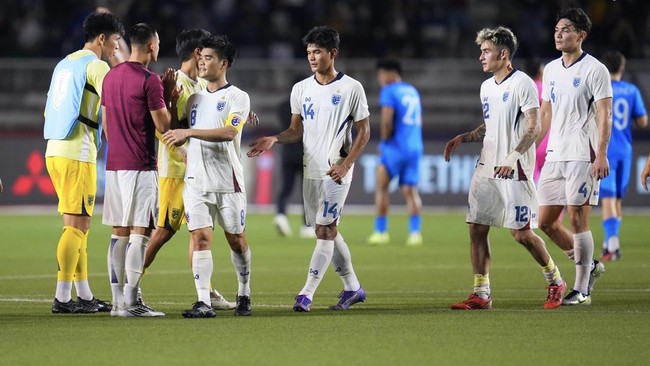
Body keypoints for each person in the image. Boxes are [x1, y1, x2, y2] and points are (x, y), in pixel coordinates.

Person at [248, 25, 370, 312]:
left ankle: (307, 293)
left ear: (333, 53)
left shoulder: (351, 88)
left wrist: (346, 163)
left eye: (318, 52)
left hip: (336, 170)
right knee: (324, 229)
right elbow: (295, 130)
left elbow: (364, 132)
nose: (312, 57)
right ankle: (353, 287)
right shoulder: (300, 89)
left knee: (326, 228)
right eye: (309, 53)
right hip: (310, 169)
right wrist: (274, 138)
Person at [443, 26, 566, 310]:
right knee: (476, 228)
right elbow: (493, 124)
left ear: (504, 53)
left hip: (515, 170)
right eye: (481, 51)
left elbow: (533, 127)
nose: (481, 57)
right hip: (486, 168)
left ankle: (555, 280)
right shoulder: (486, 87)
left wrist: (512, 157)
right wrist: (467, 137)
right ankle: (481, 293)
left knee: (521, 233)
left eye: (486, 51)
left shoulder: (522, 83)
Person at [141, 29, 235, 311]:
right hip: (176, 171)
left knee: (200, 232)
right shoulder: (173, 83)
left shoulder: (199, 86)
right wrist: (181, 151)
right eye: (205, 52)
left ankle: (205, 292)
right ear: (197, 53)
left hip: (198, 171)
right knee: (164, 231)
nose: (208, 57)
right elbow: (162, 129)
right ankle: (129, 283)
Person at [162, 34, 253, 318]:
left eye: (209, 58)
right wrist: (168, 101)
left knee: (236, 240)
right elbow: (176, 130)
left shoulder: (238, 97)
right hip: (196, 180)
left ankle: (244, 290)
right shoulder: (194, 98)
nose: (201, 62)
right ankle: (203, 301)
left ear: (224, 63)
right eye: (200, 58)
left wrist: (189, 132)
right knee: (200, 238)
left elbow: (229, 133)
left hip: (228, 182)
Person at [43, 10, 123, 314]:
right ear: (102, 38)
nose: (116, 47)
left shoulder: (65, 64)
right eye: (115, 41)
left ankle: (84, 294)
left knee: (77, 225)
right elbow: (115, 102)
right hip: (78, 153)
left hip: (55, 148)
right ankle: (63, 298)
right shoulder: (96, 65)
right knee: (78, 226)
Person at [536, 8, 612, 306]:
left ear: (581, 35)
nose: (558, 33)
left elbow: (605, 115)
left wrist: (601, 154)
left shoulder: (596, 70)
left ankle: (582, 289)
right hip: (555, 155)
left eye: (566, 29)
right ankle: (590, 265)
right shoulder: (551, 69)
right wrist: (529, 148)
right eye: (557, 28)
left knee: (578, 218)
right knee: (545, 222)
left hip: (583, 154)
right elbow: (545, 113)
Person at [102, 23, 176, 317]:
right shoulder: (150, 80)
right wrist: (168, 94)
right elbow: (164, 126)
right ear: (151, 46)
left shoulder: (110, 77)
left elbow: (106, 124)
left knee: (118, 232)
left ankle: (118, 301)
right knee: (140, 231)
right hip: (140, 165)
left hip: (114, 164)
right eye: (157, 44)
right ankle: (132, 302)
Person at [367, 59, 423, 246]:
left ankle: (381, 232)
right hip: (414, 147)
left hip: (395, 147)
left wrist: (383, 143)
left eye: (381, 74)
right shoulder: (412, 91)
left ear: (390, 73)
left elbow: (386, 122)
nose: (380, 79)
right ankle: (415, 234)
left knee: (382, 188)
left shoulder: (389, 91)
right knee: (411, 191)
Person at [599, 50, 647, 261]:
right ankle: (611, 241)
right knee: (617, 198)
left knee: (608, 198)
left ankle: (613, 245)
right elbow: (643, 121)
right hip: (626, 150)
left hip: (606, 149)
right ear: (622, 68)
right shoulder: (632, 90)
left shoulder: (601, 89)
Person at [273, 76, 316, 239]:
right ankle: (307, 225)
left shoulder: (282, 106)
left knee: (285, 188)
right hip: (306, 153)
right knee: (307, 191)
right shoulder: (308, 106)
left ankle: (281, 215)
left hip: (287, 153)